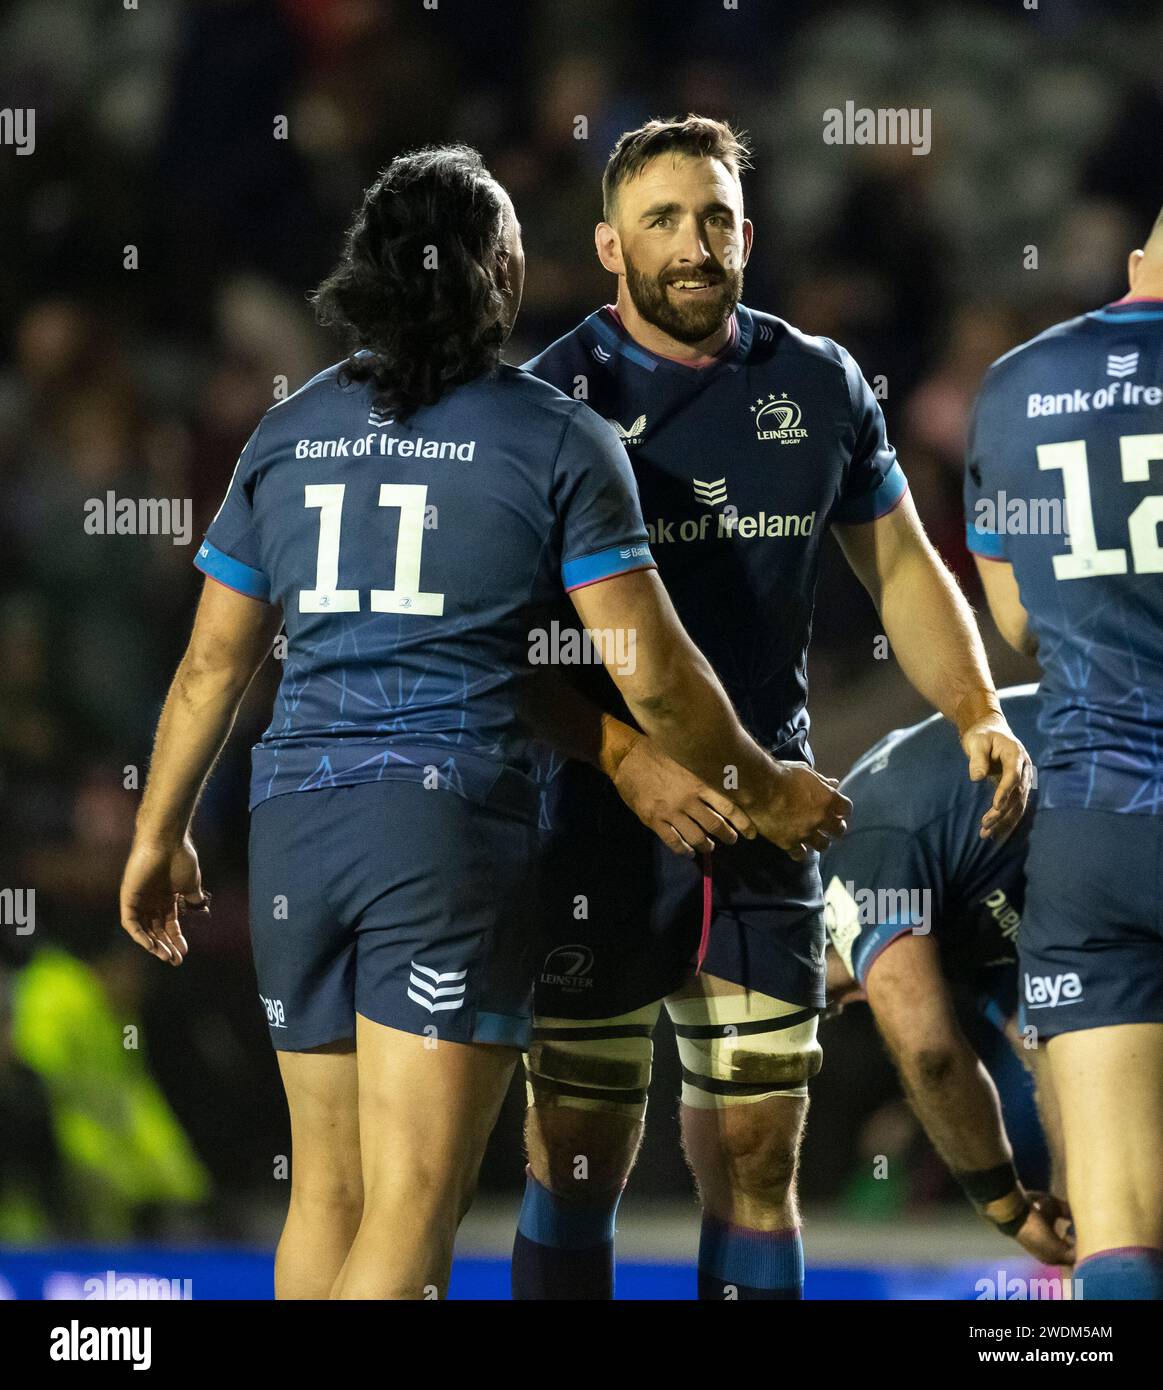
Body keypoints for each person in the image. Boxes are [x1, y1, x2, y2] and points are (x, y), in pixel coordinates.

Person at [117, 145, 848, 1300]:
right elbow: (650, 671)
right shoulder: (552, 436)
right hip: (442, 832)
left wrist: (157, 835)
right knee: (412, 1202)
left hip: (294, 828)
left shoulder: (289, 428)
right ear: (502, 272)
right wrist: (762, 785)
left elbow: (212, 663)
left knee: (326, 1194)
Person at [514, 115, 1032, 1302]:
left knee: (756, 1153)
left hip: (769, 820)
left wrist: (973, 711)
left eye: (713, 218)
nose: (692, 245)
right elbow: (498, 645)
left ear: (746, 232)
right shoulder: (550, 400)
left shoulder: (817, 381)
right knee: (580, 1154)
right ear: (608, 246)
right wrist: (624, 758)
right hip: (597, 820)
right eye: (660, 221)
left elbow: (900, 567)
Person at [966, 216, 1163, 1298]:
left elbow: (1016, 625)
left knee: (1119, 1230)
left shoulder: (1014, 384)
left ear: (1135, 269)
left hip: (1087, 832)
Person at [822, 686, 1072, 1267]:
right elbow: (1055, 1055)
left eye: (828, 1002)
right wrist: (1067, 1207)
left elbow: (931, 1056)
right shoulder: (955, 900)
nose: (854, 1003)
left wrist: (1004, 1206)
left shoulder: (856, 872)